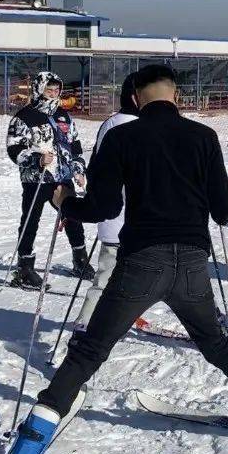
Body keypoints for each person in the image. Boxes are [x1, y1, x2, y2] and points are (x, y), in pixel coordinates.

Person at [4, 65, 228, 454]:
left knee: (90, 350)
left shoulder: (121, 137)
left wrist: (63, 201)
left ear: (134, 98)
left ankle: (30, 444)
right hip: (191, 265)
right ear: (177, 97)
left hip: (141, 264)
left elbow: (103, 209)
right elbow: (224, 210)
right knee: (217, 345)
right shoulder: (204, 137)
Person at [6, 71, 93, 289]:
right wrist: (36, 159)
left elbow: (75, 145)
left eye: (56, 90)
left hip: (61, 176)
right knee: (31, 220)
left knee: (73, 216)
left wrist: (78, 170)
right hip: (37, 179)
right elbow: (14, 148)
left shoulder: (63, 115)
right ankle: (25, 266)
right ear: (39, 89)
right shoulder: (24, 116)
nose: (53, 93)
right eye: (49, 89)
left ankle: (80, 259)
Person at [73, 72, 140, 331]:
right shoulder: (118, 125)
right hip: (120, 220)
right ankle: (84, 328)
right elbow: (100, 175)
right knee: (106, 278)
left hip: (147, 223)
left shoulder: (129, 124)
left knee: (171, 279)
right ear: (135, 97)